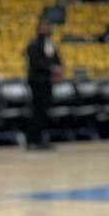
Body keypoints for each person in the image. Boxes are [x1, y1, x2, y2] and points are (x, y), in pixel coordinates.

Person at [25, 16, 63, 149]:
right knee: (38, 111)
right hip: (37, 81)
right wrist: (51, 68)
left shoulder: (50, 44)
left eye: (47, 27)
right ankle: (32, 140)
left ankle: (40, 139)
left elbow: (57, 60)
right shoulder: (33, 44)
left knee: (45, 111)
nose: (46, 29)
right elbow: (36, 63)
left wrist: (58, 69)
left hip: (48, 82)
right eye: (43, 27)